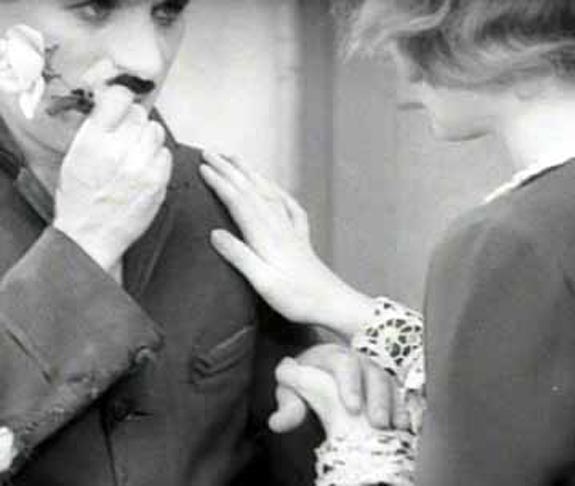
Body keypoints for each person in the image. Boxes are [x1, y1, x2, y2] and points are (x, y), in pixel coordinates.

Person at [201, 0, 575, 484]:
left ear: (500, 35)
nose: (403, 65)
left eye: (418, 33)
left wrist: (360, 446)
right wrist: (339, 306)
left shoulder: (514, 240)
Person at [0, 1, 399, 485]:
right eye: (95, 7)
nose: (148, 62)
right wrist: (83, 249)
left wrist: (324, 399)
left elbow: (269, 449)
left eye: (167, 12)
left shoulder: (222, 201)